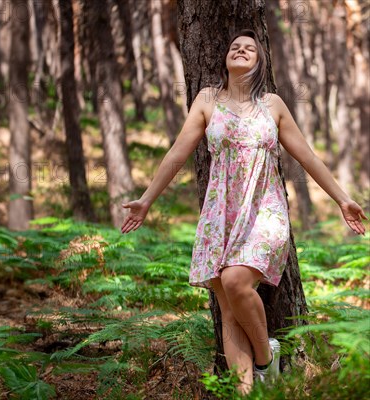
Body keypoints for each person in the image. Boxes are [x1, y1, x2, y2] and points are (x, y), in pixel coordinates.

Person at [119, 29, 367, 395]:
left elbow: (308, 156)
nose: (240, 50)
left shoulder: (273, 105)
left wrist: (341, 198)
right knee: (229, 312)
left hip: (265, 212)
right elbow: (177, 153)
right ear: (225, 58)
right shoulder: (207, 100)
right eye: (234, 46)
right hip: (220, 216)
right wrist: (146, 199)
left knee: (236, 282)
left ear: (260, 60)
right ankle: (248, 393)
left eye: (249, 48)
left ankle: (266, 359)